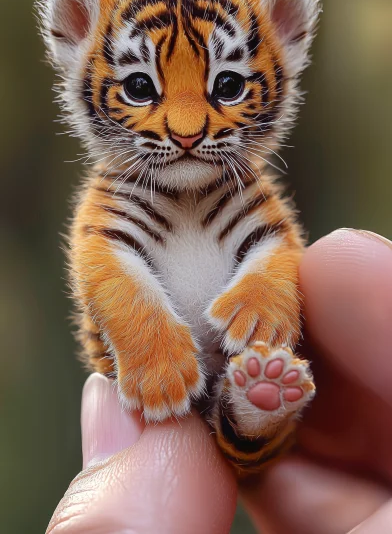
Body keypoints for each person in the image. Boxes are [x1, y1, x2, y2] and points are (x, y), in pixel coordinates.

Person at [46, 229, 392, 534]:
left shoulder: (247, 191)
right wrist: (149, 341)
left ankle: (251, 418)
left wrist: (265, 292)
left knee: (251, 433)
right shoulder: (109, 207)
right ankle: (251, 418)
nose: (185, 148)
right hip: (178, 421)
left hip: (222, 428)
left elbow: (278, 252)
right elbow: (100, 264)